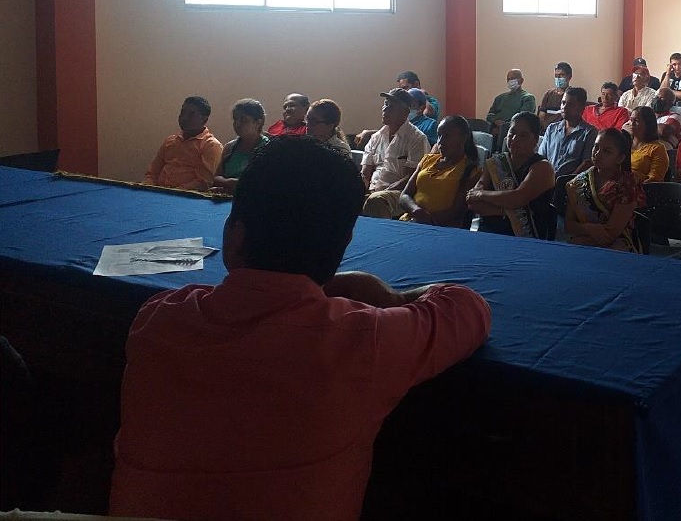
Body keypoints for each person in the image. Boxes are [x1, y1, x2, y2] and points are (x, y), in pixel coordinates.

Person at [109, 137, 491, 521]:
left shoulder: (157, 321)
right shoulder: (363, 341)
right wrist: (389, 297)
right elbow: (468, 306)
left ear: (233, 235)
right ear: (343, 244)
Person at [468, 111, 556, 240]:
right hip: (488, 233)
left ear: (535, 140)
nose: (514, 139)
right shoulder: (495, 163)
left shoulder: (543, 167)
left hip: (525, 239)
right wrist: (505, 211)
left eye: (523, 135)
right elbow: (472, 201)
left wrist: (482, 195)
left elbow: (517, 198)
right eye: (512, 133)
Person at [396, 116, 482, 229]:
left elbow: (455, 212)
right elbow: (404, 195)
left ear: (464, 138)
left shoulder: (470, 170)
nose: (440, 141)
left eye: (447, 136)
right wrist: (416, 211)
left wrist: (425, 220)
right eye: (439, 135)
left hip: (439, 228)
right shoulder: (428, 160)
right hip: (410, 220)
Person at [565, 128, 643, 253]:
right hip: (583, 239)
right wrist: (587, 228)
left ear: (620, 158)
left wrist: (582, 240)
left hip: (618, 245)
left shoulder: (627, 183)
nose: (597, 153)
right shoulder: (577, 182)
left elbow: (611, 233)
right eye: (596, 147)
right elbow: (569, 225)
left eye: (607, 151)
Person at [361, 88, 431, 218]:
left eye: (391, 106)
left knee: (376, 201)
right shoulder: (376, 138)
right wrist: (361, 189)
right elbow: (365, 173)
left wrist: (383, 191)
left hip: (401, 193)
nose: (385, 109)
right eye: (385, 104)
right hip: (373, 190)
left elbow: (411, 178)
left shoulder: (417, 139)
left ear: (405, 112)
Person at [143, 96, 223, 191]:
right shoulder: (170, 141)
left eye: (191, 114)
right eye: (182, 112)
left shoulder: (211, 145)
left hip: (184, 196)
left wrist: (172, 193)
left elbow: (204, 183)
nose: (184, 118)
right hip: (157, 192)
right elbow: (152, 173)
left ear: (204, 120)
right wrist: (146, 188)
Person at [212, 99, 269, 195]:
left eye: (244, 120)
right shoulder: (230, 148)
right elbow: (217, 178)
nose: (237, 124)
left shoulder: (268, 148)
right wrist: (230, 182)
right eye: (235, 119)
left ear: (258, 123)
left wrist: (239, 186)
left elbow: (266, 183)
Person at [536, 86, 597, 178]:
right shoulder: (551, 129)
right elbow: (541, 157)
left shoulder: (590, 132)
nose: (564, 107)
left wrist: (567, 181)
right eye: (563, 103)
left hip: (571, 182)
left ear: (581, 108)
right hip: (546, 178)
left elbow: (586, 163)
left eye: (571, 104)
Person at [486, 68, 536, 146]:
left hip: (515, 135)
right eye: (508, 79)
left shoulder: (528, 98)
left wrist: (503, 127)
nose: (510, 81)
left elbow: (522, 120)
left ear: (521, 80)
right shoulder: (500, 98)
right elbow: (489, 116)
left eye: (513, 78)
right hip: (495, 132)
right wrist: (496, 121)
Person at [627, 105, 669, 184]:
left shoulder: (657, 149)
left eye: (636, 120)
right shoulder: (624, 143)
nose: (632, 124)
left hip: (642, 189)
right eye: (631, 120)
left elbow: (654, 180)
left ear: (648, 124)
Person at [538, 61, 573, 129]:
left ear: (569, 77)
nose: (558, 78)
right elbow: (541, 117)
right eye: (556, 76)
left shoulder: (572, 95)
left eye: (561, 75)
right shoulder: (548, 94)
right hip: (547, 130)